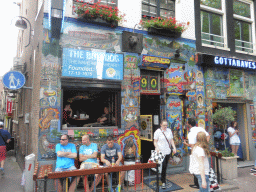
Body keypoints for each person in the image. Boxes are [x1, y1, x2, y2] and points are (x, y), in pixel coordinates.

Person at [183, 118, 210, 189]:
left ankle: (198, 184)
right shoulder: (200, 129)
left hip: (195, 152)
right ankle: (198, 183)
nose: (186, 124)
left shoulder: (191, 133)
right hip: (202, 149)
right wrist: (204, 144)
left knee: (197, 165)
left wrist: (186, 144)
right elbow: (208, 136)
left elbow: (192, 145)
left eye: (187, 123)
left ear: (189, 124)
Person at [153, 119, 177, 189]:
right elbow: (155, 141)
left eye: (166, 125)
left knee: (164, 167)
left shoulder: (169, 130)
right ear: (160, 125)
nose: (165, 126)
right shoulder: (157, 132)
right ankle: (163, 181)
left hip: (167, 151)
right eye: (164, 125)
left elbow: (171, 140)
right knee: (161, 166)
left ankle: (162, 179)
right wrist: (156, 147)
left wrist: (174, 148)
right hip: (160, 152)